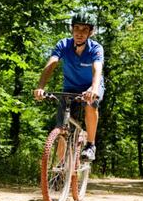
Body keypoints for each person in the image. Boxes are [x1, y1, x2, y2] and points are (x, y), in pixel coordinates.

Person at [33, 12, 104, 161]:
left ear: (90, 32)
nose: (80, 33)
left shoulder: (95, 48)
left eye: (85, 29)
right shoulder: (63, 45)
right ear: (71, 29)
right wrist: (40, 87)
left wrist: (94, 89)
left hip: (91, 86)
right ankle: (60, 168)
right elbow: (51, 64)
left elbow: (97, 70)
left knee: (91, 105)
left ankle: (90, 145)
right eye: (76, 28)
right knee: (62, 127)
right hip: (70, 88)